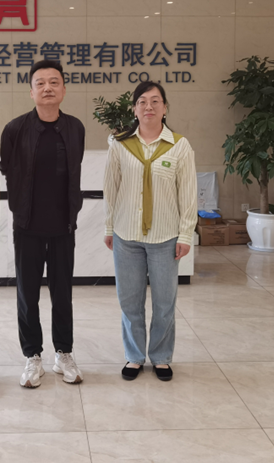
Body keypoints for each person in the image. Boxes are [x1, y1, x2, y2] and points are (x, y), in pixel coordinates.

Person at [0, 60, 85, 388]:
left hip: (63, 226)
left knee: (63, 294)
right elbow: (7, 168)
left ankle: (64, 354)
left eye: (54, 82)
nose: (47, 88)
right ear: (31, 90)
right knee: (27, 294)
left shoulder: (75, 127)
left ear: (63, 88)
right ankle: (32, 356)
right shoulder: (15, 129)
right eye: (40, 83)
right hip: (27, 225)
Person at [103, 81, 196, 382]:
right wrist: (109, 227)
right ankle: (134, 356)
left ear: (165, 108)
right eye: (142, 101)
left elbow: (188, 194)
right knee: (129, 301)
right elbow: (111, 189)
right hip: (126, 236)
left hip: (165, 238)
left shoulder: (180, 146)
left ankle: (161, 357)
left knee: (164, 303)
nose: (149, 107)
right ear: (134, 109)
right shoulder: (119, 145)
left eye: (155, 101)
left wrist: (185, 234)